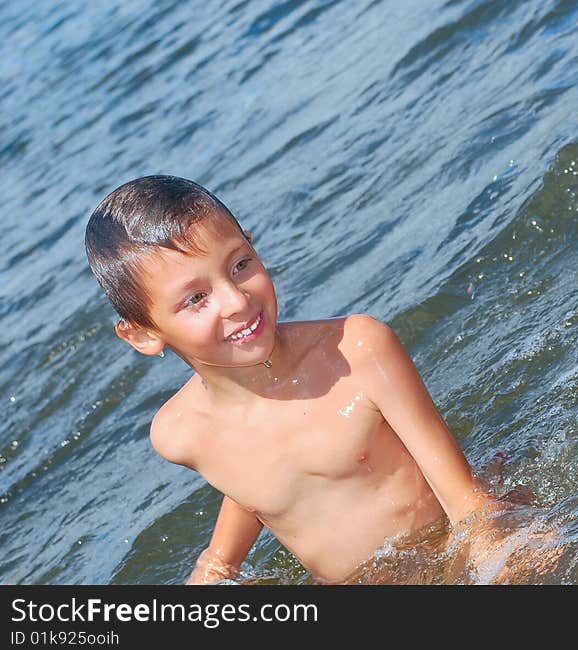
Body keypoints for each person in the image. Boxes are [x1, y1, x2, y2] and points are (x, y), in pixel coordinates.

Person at [84, 175, 539, 584]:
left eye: (240, 264)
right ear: (143, 333)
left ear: (251, 242)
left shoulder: (358, 351)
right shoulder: (181, 435)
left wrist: (498, 559)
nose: (236, 301)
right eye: (197, 298)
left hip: (447, 552)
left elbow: (469, 505)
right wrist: (217, 565)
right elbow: (255, 478)